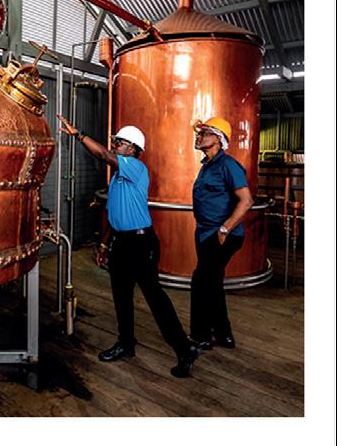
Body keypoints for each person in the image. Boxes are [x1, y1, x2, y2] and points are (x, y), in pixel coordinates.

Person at [57, 114, 201, 378]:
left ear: (133, 149)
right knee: (121, 296)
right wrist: (104, 245)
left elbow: (103, 155)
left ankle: (185, 348)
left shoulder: (135, 167)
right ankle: (126, 344)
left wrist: (78, 135)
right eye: (115, 142)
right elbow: (114, 213)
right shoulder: (116, 177)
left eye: (120, 143)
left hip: (140, 242)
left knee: (155, 297)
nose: (115, 146)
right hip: (121, 241)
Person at [190, 117, 254, 350]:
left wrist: (225, 228)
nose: (199, 136)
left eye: (204, 133)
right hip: (205, 233)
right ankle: (223, 335)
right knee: (213, 282)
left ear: (218, 139)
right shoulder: (207, 166)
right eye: (199, 133)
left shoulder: (228, 165)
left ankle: (200, 336)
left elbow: (246, 200)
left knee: (201, 281)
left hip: (221, 235)